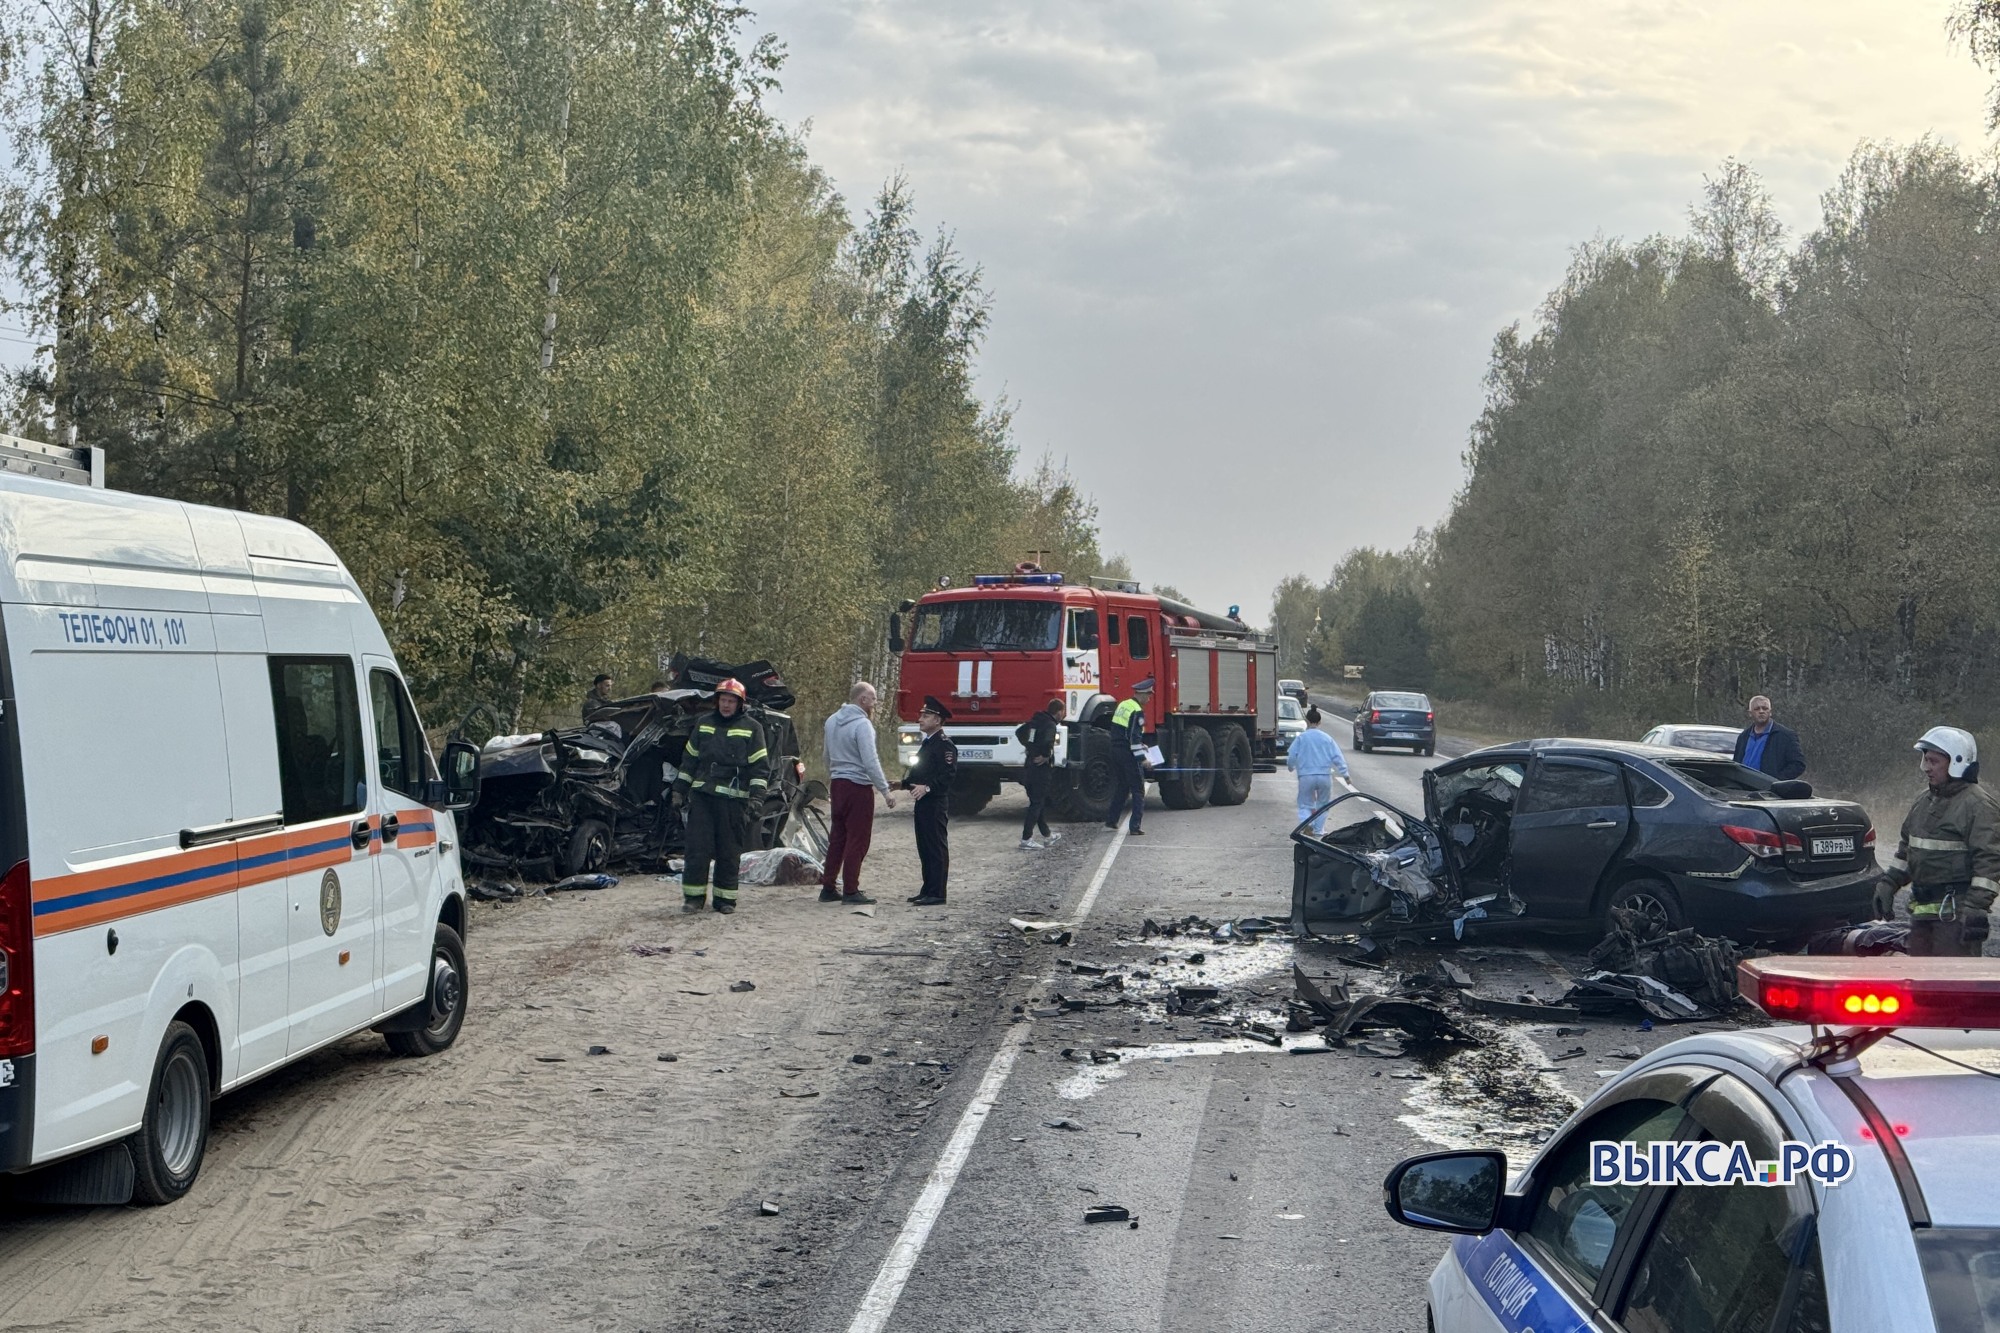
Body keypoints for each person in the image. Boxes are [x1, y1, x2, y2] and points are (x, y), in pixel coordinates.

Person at [1875, 726, 2000, 956]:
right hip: (1922, 914)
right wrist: (1889, 883)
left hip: (1956, 918)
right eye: (1925, 760)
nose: (1927, 768)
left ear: (1956, 763)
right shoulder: (1923, 801)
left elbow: (1989, 861)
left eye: (1934, 761)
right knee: (1920, 985)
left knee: (1952, 987)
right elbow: (1906, 850)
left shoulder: (1978, 805)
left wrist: (1975, 908)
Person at [673, 678, 770, 915]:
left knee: (729, 851)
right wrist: (679, 790)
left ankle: (725, 900)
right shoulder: (703, 724)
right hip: (703, 797)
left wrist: (757, 798)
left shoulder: (752, 728)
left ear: (740, 704)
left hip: (734, 800)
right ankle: (694, 898)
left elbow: (760, 768)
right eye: (723, 700)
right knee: (697, 849)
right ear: (717, 701)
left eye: (731, 701)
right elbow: (689, 761)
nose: (726, 705)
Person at [819, 681, 894, 905]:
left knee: (838, 838)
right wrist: (885, 790)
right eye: (873, 699)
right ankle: (851, 889)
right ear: (863, 700)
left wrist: (834, 774)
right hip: (858, 787)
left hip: (838, 783)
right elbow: (870, 761)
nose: (875, 703)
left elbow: (826, 755)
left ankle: (828, 886)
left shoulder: (832, 720)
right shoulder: (862, 725)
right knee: (858, 839)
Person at [899, 696, 958, 906]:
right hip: (923, 802)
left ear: (938, 720)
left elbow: (948, 776)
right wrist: (902, 783)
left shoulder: (944, 745)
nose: (920, 719)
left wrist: (928, 787)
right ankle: (927, 889)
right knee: (924, 846)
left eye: (926, 716)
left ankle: (938, 892)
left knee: (935, 846)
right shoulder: (928, 743)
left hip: (935, 802)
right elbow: (920, 772)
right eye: (921, 715)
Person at [1286, 706, 1351, 834]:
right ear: (1320, 722)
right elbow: (1337, 757)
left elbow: (1292, 755)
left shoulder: (1301, 738)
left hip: (1306, 776)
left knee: (1305, 804)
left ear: (1306, 721)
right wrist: (1345, 775)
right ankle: (1318, 830)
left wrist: (1290, 766)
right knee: (1323, 805)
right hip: (1324, 776)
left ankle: (1307, 824)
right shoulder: (1327, 738)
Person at [1103, 678, 1154, 836]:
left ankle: (1111, 821)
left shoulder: (1124, 705)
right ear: (1142, 694)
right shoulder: (1137, 711)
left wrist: (1141, 744)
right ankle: (1135, 826)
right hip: (1128, 754)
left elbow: (1122, 732)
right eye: (1149, 695)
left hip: (1116, 750)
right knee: (1138, 789)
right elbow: (1133, 739)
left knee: (1122, 787)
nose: (1149, 698)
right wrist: (1143, 759)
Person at [1016, 696, 1067, 850]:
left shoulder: (1035, 721)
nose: (1063, 715)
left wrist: (1030, 748)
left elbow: (1020, 732)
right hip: (1040, 770)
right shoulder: (1050, 725)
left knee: (1037, 803)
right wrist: (1045, 755)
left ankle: (1047, 836)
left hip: (1029, 766)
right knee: (1037, 804)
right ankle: (1026, 838)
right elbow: (1047, 742)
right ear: (1058, 712)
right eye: (1063, 712)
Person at [1732, 695, 1806, 780]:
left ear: (1770, 712)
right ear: (1750, 713)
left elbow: (1798, 764)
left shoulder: (1786, 736)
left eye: (1765, 708)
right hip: (1743, 789)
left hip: (1769, 791)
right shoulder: (1743, 737)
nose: (1761, 711)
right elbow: (1736, 764)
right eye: (1757, 709)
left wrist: (1776, 782)